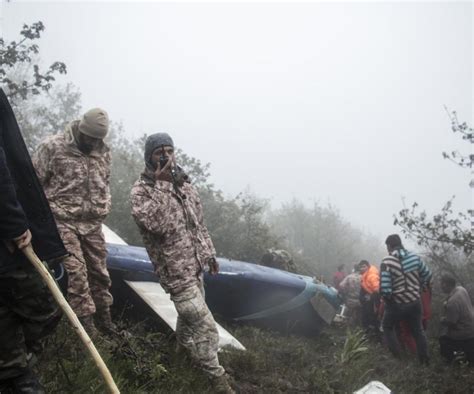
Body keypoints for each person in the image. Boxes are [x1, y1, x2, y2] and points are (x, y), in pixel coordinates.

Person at [130, 133, 234, 393]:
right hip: (175, 274)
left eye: (169, 150)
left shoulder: (185, 185)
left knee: (188, 325)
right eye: (159, 152)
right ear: (149, 156)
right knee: (206, 328)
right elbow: (158, 225)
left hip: (195, 267)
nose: (165, 156)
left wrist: (208, 254)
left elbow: (198, 223)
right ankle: (218, 382)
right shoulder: (141, 191)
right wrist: (162, 185)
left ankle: (178, 364)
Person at [0, 88, 67, 393]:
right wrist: (13, 222)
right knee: (43, 305)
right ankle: (15, 369)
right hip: (8, 237)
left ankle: (15, 366)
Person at [33, 108, 115, 335]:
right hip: (62, 221)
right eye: (90, 137)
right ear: (81, 129)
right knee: (76, 273)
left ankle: (105, 322)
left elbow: (104, 182)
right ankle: (86, 331)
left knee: (100, 274)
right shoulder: (53, 147)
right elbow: (34, 184)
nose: (93, 142)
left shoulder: (103, 152)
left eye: (98, 139)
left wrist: (104, 205)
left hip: (92, 225)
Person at [380, 234, 431, 364]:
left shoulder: (387, 261)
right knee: (418, 330)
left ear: (390, 246)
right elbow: (427, 275)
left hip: (397, 303)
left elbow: (385, 288)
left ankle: (398, 358)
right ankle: (424, 360)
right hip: (415, 301)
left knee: (387, 326)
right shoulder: (415, 258)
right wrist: (419, 288)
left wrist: (388, 302)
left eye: (387, 246)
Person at [439, 274, 474, 364]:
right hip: (471, 326)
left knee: (443, 338)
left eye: (442, 284)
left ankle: (452, 360)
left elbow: (452, 322)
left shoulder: (452, 302)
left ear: (447, 285)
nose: (441, 286)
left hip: (464, 333)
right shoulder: (461, 289)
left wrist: (443, 320)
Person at [358, 259, 380, 333]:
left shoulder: (372, 275)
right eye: (361, 267)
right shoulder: (365, 276)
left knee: (373, 318)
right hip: (367, 301)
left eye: (364, 266)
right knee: (366, 317)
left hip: (373, 302)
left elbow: (377, 289)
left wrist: (371, 297)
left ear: (368, 266)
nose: (362, 268)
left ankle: (375, 335)